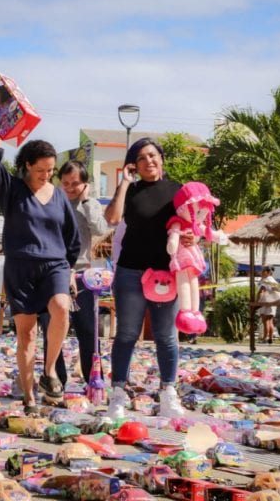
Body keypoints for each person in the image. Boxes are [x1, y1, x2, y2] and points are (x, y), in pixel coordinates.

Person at [0, 134, 81, 414]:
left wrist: (71, 268)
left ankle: (50, 371)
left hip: (54, 264)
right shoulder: (12, 189)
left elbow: (71, 237)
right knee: (26, 335)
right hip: (20, 268)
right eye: (41, 170)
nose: (46, 175)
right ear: (27, 165)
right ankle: (29, 397)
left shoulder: (59, 196)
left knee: (62, 307)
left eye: (51, 170)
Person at [103, 137, 190, 420]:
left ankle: (168, 393)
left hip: (165, 273)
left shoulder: (178, 190)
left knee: (166, 336)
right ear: (134, 165)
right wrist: (125, 182)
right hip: (130, 271)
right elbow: (113, 219)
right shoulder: (131, 189)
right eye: (141, 158)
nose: (149, 161)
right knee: (127, 334)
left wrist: (190, 235)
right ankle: (118, 393)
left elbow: (192, 226)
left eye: (153, 156)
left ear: (162, 159)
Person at [41, 160, 111, 387]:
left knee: (88, 330)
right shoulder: (52, 202)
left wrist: (88, 200)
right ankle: (55, 378)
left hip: (82, 275)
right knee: (53, 328)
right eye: (66, 183)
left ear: (85, 184)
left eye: (76, 184)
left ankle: (93, 379)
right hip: (54, 272)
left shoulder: (88, 204)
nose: (70, 188)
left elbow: (100, 229)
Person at [257, 266, 280, 344]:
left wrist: (257, 301)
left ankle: (265, 338)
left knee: (265, 321)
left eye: (262, 271)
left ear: (267, 272)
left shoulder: (266, 281)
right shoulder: (274, 281)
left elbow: (262, 291)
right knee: (270, 321)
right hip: (273, 302)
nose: (261, 272)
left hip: (265, 302)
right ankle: (270, 338)